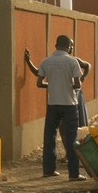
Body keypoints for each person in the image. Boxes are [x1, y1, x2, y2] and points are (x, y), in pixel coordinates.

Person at [33, 35, 84, 179]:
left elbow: (39, 83)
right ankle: (74, 174)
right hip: (69, 104)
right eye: (71, 46)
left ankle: (48, 170)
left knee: (49, 137)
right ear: (68, 46)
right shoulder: (72, 62)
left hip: (53, 104)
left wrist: (53, 85)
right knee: (72, 138)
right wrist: (67, 85)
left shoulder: (46, 61)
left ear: (56, 45)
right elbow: (77, 84)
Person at [25, 43, 91, 127]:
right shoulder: (53, 63)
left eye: (72, 46)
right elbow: (38, 72)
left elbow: (88, 65)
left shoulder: (75, 61)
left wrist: (83, 77)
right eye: (70, 45)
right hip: (63, 98)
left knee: (79, 121)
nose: (72, 48)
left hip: (75, 95)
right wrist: (29, 61)